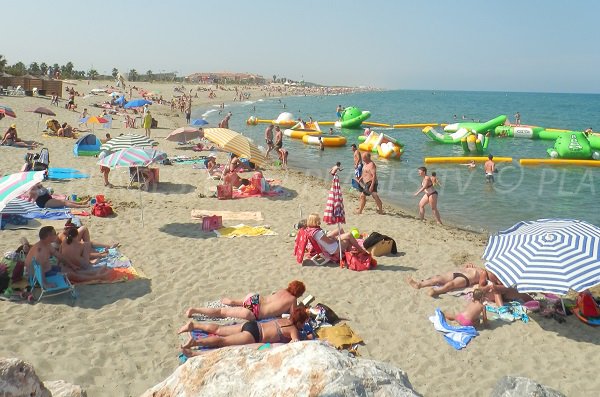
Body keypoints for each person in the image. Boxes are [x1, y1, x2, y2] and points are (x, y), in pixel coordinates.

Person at [179, 307, 309, 356]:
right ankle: (194, 343)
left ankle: (194, 325)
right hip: (254, 336)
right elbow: (295, 345)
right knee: (222, 342)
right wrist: (305, 338)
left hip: (252, 325)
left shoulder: (282, 319)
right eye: (303, 323)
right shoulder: (293, 330)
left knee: (219, 329)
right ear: (299, 322)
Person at [185, 280, 306, 321]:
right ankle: (194, 310)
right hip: (255, 312)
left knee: (241, 303)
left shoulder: (282, 290)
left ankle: (233, 302)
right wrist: (301, 308)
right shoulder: (293, 299)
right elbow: (293, 316)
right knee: (222, 312)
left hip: (253, 298)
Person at [406, 263, 488, 297]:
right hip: (457, 272)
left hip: (466, 279)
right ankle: (419, 284)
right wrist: (468, 265)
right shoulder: (478, 267)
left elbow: (481, 284)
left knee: (451, 284)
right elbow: (464, 266)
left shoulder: (484, 274)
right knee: (438, 278)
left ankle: (437, 291)